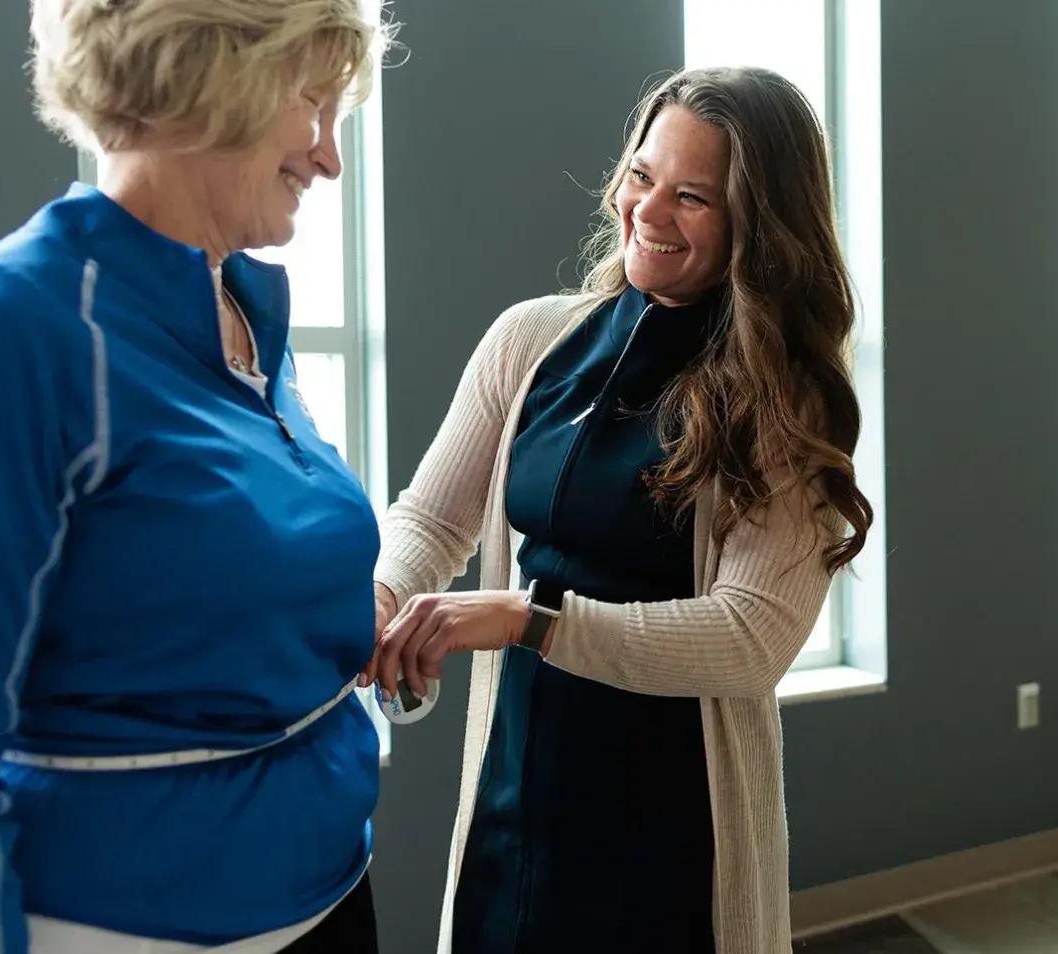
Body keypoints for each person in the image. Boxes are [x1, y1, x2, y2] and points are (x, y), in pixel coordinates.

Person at [0, 2, 393, 953]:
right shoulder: (1, 332)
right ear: (212, 74)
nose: (330, 157)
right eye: (314, 101)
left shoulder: (242, 309)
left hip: (332, 901)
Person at [368, 67, 874, 953]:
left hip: (677, 818)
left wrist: (532, 621)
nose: (648, 211)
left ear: (759, 223)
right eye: (642, 176)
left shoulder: (785, 403)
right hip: (516, 782)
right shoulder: (529, 340)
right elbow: (431, 518)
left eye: (693, 197)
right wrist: (376, 598)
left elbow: (750, 639)